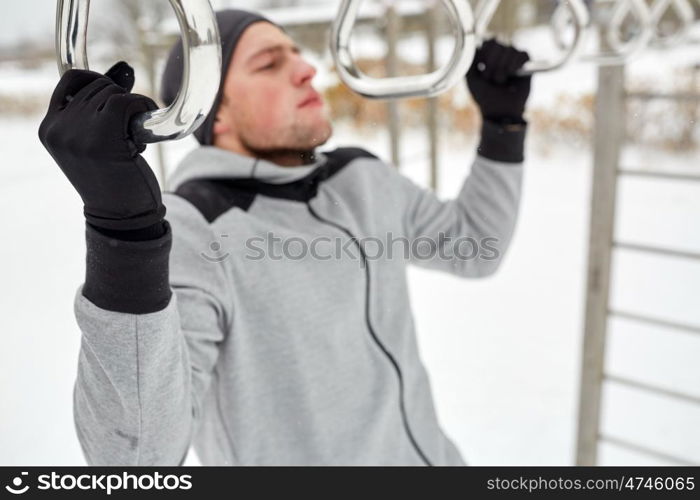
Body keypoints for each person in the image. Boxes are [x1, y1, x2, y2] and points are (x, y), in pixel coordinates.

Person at [38, 9, 531, 466]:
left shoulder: (360, 177)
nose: (307, 70)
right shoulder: (196, 230)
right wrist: (122, 236)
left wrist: (502, 127)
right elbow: (134, 459)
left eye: (297, 53)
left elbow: (474, 247)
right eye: (270, 63)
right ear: (215, 111)